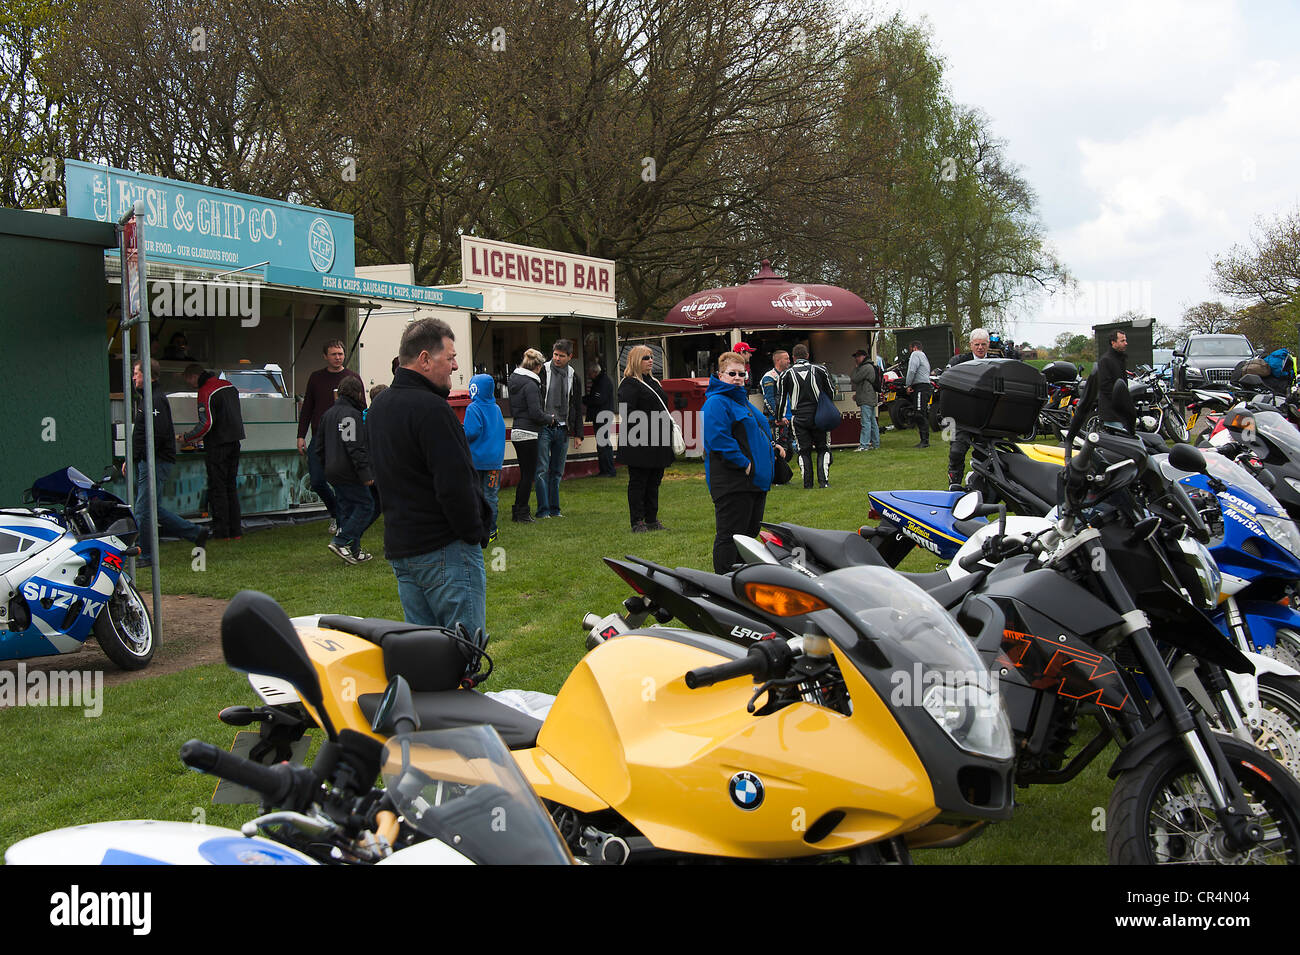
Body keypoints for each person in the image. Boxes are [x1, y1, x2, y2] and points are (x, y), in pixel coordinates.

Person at [367, 317, 491, 635]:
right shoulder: (432, 409)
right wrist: (474, 531)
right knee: (464, 654)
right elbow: (455, 485)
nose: (455, 365)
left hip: (404, 549)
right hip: (444, 549)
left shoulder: (379, 408)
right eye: (449, 358)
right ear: (424, 359)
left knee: (425, 654)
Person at [702, 352, 784, 573]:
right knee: (730, 536)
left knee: (748, 536)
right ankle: (724, 582)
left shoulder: (741, 400)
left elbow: (756, 430)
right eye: (732, 374)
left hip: (754, 482)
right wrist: (744, 463)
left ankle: (743, 579)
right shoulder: (717, 402)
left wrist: (772, 447)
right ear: (720, 375)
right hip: (734, 482)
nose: (737, 378)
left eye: (741, 374)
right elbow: (718, 439)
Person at [127, 359, 207, 566]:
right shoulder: (149, 398)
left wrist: (142, 458)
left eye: (136, 373)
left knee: (143, 510)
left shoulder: (154, 400)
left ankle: (146, 555)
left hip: (155, 461)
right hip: (149, 460)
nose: (133, 377)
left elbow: (158, 434)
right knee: (151, 508)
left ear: (147, 374)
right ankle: (195, 532)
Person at [297, 340, 363, 535]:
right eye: (333, 354)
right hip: (320, 437)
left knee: (341, 482)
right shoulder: (316, 378)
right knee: (316, 480)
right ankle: (335, 512)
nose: (337, 357)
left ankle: (343, 521)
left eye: (340, 354)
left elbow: (362, 409)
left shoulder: (352, 378)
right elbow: (308, 406)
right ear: (325, 356)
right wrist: (301, 435)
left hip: (344, 436)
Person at [180, 362, 245, 540]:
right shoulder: (228, 385)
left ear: (193, 377)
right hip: (235, 440)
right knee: (231, 486)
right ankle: (236, 530)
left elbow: (206, 423)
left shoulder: (205, 391)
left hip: (218, 445)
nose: (191, 385)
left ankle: (221, 531)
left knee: (218, 488)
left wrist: (187, 437)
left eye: (189, 382)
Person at [617, 345, 675, 531]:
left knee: (654, 482)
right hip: (640, 440)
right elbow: (628, 413)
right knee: (639, 482)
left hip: (659, 439)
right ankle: (637, 521)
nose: (650, 360)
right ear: (635, 361)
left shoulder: (654, 382)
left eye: (651, 357)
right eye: (645, 358)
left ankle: (651, 519)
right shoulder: (629, 384)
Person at [319, 376, 374, 564]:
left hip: (332, 471)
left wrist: (325, 466)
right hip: (349, 471)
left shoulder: (327, 414)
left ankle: (354, 550)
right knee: (366, 506)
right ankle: (341, 541)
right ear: (358, 393)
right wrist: (366, 474)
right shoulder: (351, 415)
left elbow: (318, 447)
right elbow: (355, 447)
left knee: (347, 510)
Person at [535, 339, 585, 518]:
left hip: (563, 427)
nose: (557, 358)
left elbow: (577, 406)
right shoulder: (543, 371)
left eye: (561, 356)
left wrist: (579, 434)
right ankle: (543, 510)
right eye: (555, 354)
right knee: (541, 470)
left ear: (570, 356)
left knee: (557, 472)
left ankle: (555, 510)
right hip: (545, 426)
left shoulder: (573, 376)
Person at [777, 343, 835, 488]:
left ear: (793, 357)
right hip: (819, 415)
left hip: (798, 417)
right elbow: (832, 393)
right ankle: (824, 482)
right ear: (808, 356)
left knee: (804, 450)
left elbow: (781, 399)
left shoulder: (786, 374)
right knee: (823, 448)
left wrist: (779, 417)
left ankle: (807, 484)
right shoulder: (820, 369)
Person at [463, 373, 507, 544]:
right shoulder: (496, 408)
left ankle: (478, 527)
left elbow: (471, 432)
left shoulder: (473, 408)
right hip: (494, 461)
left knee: (476, 494)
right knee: (491, 495)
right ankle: (491, 529)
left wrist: (461, 432)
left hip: (476, 460)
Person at [945, 328, 990, 486]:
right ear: (971, 345)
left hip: (985, 417)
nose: (980, 348)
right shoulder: (958, 361)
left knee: (984, 453)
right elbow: (946, 379)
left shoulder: (996, 363)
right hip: (962, 416)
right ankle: (954, 483)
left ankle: (980, 483)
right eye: (977, 344)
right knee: (956, 451)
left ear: (988, 345)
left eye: (983, 344)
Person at [508, 349, 547, 523]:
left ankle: (518, 510)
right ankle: (522, 512)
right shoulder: (531, 385)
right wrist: (550, 419)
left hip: (516, 430)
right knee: (527, 475)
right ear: (537, 367)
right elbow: (535, 413)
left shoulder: (515, 381)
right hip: (528, 432)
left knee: (525, 474)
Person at [584, 361, 617, 477]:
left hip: (602, 416)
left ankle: (609, 470)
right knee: (602, 443)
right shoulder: (603, 380)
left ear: (595, 372)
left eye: (589, 373)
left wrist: (584, 400)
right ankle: (605, 470)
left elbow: (598, 400)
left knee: (603, 444)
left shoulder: (602, 382)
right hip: (603, 415)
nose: (588, 376)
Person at [1096, 329, 1128, 428]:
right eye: (1122, 341)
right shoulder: (1106, 360)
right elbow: (1104, 385)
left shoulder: (1120, 359)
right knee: (1119, 441)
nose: (1126, 343)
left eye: (1125, 340)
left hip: (1120, 412)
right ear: (1113, 342)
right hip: (1111, 413)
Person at [850, 348, 880, 451]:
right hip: (869, 397)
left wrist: (856, 368)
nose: (856, 359)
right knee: (872, 422)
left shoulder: (865, 367)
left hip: (866, 399)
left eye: (857, 357)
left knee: (865, 422)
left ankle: (864, 445)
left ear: (863, 356)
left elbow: (854, 378)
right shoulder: (870, 366)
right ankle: (876, 444)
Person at [905, 340, 932, 448]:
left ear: (914, 348)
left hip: (920, 387)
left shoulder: (915, 354)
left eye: (910, 349)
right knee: (922, 412)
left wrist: (908, 384)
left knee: (920, 413)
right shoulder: (923, 356)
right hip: (925, 386)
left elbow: (912, 370)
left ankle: (924, 441)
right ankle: (924, 440)